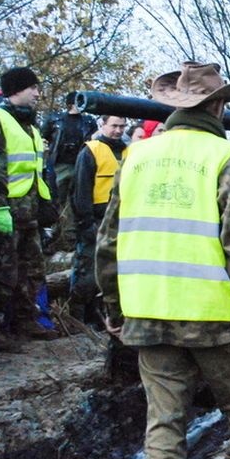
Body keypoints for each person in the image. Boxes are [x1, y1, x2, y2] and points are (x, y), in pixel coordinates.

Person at [95, 61, 230, 459]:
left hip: (148, 312)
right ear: (217, 106)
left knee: (164, 419)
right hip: (215, 316)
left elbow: (108, 241)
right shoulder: (223, 156)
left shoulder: (136, 155)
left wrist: (113, 309)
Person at [0, 66, 58, 348]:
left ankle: (25, 321)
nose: (37, 93)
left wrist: (46, 203)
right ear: (16, 90)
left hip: (28, 213)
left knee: (32, 270)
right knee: (2, 274)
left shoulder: (30, 126)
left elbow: (36, 170)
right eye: (32, 88)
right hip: (5, 212)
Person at [69, 115, 127, 325]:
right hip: (95, 217)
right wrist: (85, 223)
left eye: (122, 126)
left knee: (113, 270)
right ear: (102, 125)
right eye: (114, 126)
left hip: (121, 217)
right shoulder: (91, 150)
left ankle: (105, 316)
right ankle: (78, 317)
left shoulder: (129, 151)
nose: (118, 130)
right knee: (87, 269)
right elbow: (80, 188)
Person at [40, 91, 98, 250]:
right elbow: (44, 138)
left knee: (77, 201)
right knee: (57, 200)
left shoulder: (89, 121)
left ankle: (71, 238)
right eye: (79, 101)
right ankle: (55, 236)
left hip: (81, 164)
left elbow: (93, 140)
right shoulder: (55, 119)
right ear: (71, 103)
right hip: (59, 165)